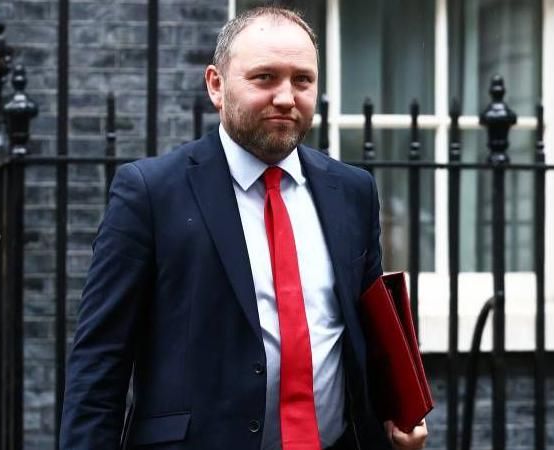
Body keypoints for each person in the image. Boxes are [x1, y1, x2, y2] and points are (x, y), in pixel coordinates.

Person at [60, 6, 428, 450]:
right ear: (216, 85)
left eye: (302, 80)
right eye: (265, 78)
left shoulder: (353, 191)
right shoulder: (150, 192)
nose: (286, 97)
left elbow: (369, 335)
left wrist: (398, 417)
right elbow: (100, 362)